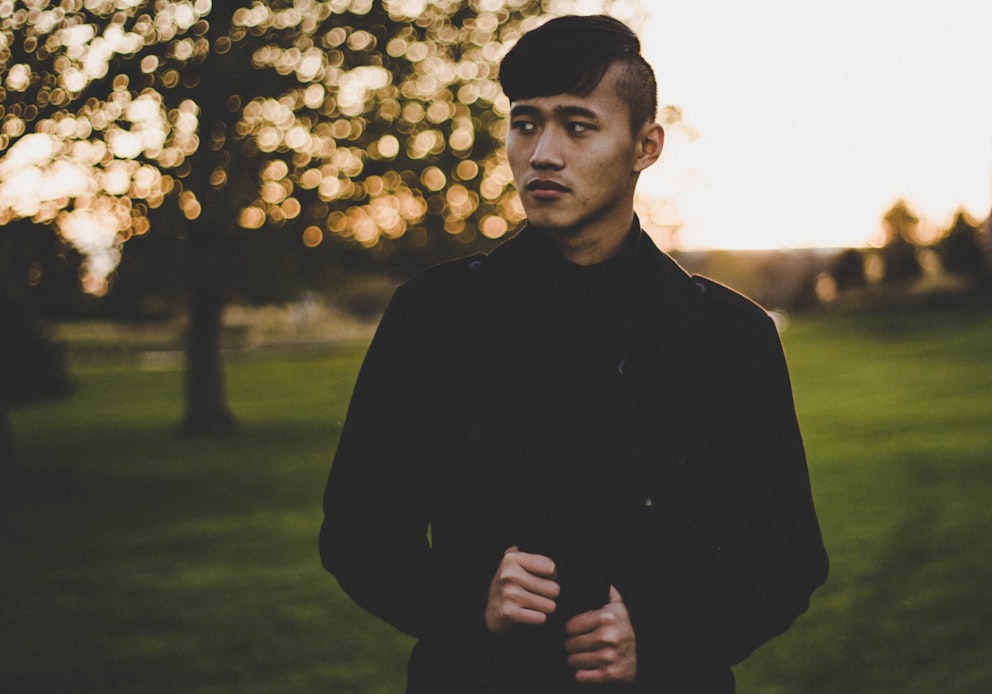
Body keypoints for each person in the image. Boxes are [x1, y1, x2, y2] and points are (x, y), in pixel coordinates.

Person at [320, 14, 828, 693]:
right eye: (525, 123)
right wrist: (468, 601)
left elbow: (785, 558)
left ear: (646, 146)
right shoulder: (436, 317)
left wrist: (661, 636)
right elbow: (359, 530)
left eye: (577, 125)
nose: (542, 154)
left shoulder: (727, 337)